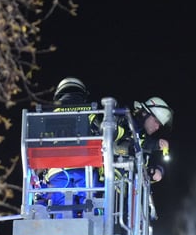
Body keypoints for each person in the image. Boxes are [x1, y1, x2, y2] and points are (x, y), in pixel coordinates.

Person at [42, 78, 173, 214]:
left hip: (57, 175)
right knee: (92, 214)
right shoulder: (114, 119)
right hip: (90, 176)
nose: (157, 127)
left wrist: (152, 169)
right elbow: (116, 141)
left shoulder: (43, 118)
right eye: (156, 121)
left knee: (63, 213)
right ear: (145, 113)